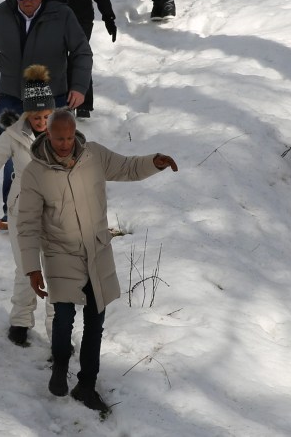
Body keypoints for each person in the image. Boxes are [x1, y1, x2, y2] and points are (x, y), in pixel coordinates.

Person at [16, 109, 179, 413]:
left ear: (74, 132)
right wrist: (32, 267)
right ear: (47, 135)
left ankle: (86, 385)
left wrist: (153, 162)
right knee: (63, 319)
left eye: (68, 137)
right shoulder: (35, 173)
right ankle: (59, 365)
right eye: (58, 137)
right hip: (60, 252)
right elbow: (26, 223)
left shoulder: (94, 156)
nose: (64, 143)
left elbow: (127, 167)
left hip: (97, 251)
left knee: (96, 321)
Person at [0, 0, 93, 229]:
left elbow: (82, 52)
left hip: (55, 97)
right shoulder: (1, 14)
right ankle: (14, 212)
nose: (26, 1)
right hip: (13, 97)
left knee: (58, 152)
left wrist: (79, 87)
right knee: (14, 152)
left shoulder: (61, 14)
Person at [0, 65, 57, 346]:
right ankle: (19, 322)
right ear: (27, 114)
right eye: (37, 117)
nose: (42, 122)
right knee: (27, 267)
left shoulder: (64, 135)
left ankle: (59, 335)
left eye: (46, 116)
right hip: (23, 212)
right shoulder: (14, 136)